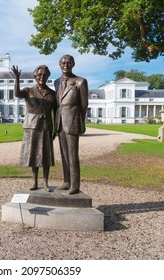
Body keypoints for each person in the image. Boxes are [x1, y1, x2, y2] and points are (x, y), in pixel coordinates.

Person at [12, 65, 57, 192]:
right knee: (34, 155)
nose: (42, 77)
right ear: (35, 76)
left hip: (46, 126)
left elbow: (55, 113)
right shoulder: (28, 91)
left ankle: (46, 183)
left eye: (44, 75)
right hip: (32, 126)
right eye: (39, 75)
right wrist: (17, 79)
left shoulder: (52, 94)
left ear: (48, 77)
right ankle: (35, 182)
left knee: (46, 156)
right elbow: (17, 93)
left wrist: (54, 130)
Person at [55, 54, 89, 194]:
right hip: (60, 122)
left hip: (72, 121)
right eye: (63, 63)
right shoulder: (57, 82)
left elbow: (83, 105)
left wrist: (80, 121)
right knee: (63, 154)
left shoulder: (80, 81)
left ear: (73, 65)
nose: (65, 66)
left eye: (69, 63)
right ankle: (66, 181)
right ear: (59, 65)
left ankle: (75, 185)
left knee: (73, 155)